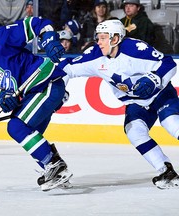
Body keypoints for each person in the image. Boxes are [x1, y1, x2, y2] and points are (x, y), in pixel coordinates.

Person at [59, 19, 179, 189]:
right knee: (134, 132)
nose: (98, 42)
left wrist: (154, 78)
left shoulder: (136, 49)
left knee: (172, 124)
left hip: (161, 95)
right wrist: (58, 89)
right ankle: (166, 171)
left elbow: (168, 63)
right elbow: (67, 67)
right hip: (135, 103)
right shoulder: (95, 55)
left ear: (115, 39)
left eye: (102, 38)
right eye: (97, 37)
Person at [0, 18, 72, 191]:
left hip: (47, 84)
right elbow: (0, 93)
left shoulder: (2, 39)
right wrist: (4, 99)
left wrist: (50, 40)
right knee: (31, 135)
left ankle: (55, 165)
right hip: (32, 94)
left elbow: (37, 23)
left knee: (16, 127)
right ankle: (56, 174)